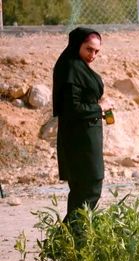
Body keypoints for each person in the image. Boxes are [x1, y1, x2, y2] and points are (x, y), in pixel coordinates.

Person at [52, 27, 112, 223]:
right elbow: (72, 109)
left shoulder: (77, 66)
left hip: (84, 137)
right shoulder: (71, 68)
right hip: (79, 141)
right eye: (89, 49)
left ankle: (69, 246)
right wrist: (99, 107)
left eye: (96, 51)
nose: (92, 55)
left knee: (83, 194)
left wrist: (99, 108)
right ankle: (65, 242)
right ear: (77, 45)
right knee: (88, 191)